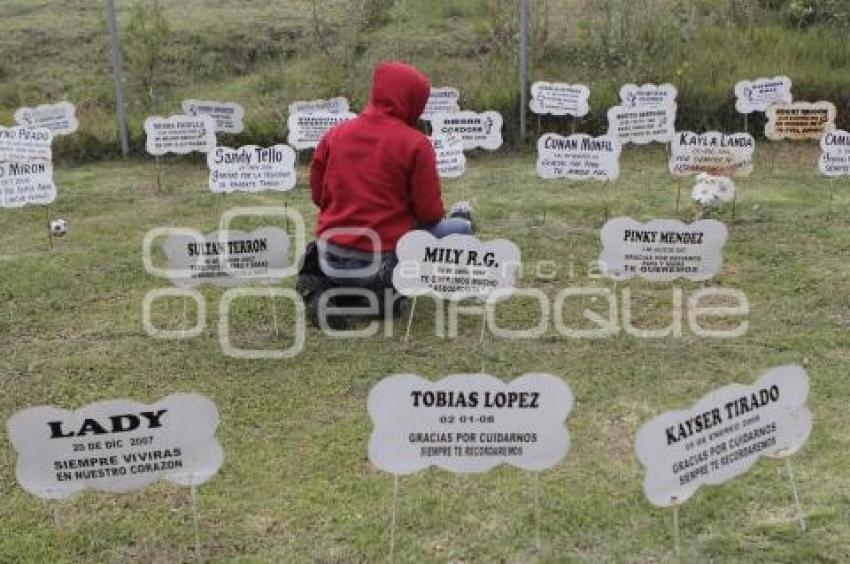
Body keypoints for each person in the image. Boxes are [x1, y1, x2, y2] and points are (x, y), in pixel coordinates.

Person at [297, 60, 474, 327]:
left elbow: (318, 197)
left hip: (329, 254)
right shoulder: (416, 144)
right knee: (461, 227)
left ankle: (326, 290)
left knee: (335, 262)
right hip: (382, 263)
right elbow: (430, 214)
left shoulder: (334, 134)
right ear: (414, 101)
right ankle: (380, 299)